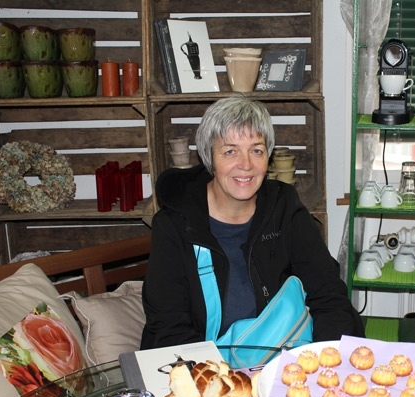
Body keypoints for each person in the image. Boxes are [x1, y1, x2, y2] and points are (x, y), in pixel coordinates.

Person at [141, 96, 363, 350]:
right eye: (230, 151)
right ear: (209, 157)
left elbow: (328, 293)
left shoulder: (284, 207)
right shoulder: (173, 226)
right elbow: (169, 327)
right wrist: (219, 373)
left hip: (281, 358)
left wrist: (326, 360)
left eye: (256, 150)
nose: (246, 165)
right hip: (203, 363)